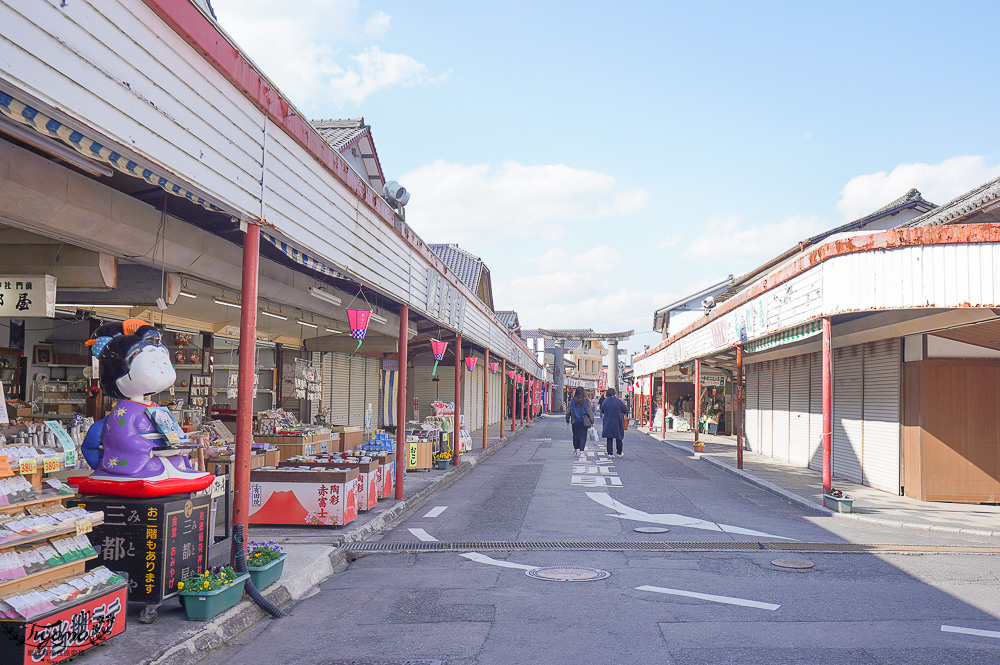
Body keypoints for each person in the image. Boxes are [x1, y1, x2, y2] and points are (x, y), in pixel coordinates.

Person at [565, 386, 594, 458]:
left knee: (575, 435)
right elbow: (590, 413)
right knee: (583, 436)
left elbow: (568, 412)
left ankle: (575, 450)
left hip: (575, 421)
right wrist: (592, 421)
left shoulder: (572, 402)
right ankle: (581, 452)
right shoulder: (587, 402)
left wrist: (567, 420)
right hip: (584, 422)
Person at [600, 387, 628, 458]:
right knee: (619, 436)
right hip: (618, 421)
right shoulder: (618, 401)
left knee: (609, 437)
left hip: (608, 421)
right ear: (614, 393)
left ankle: (610, 453)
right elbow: (625, 410)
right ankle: (619, 452)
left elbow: (602, 410)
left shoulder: (605, 401)